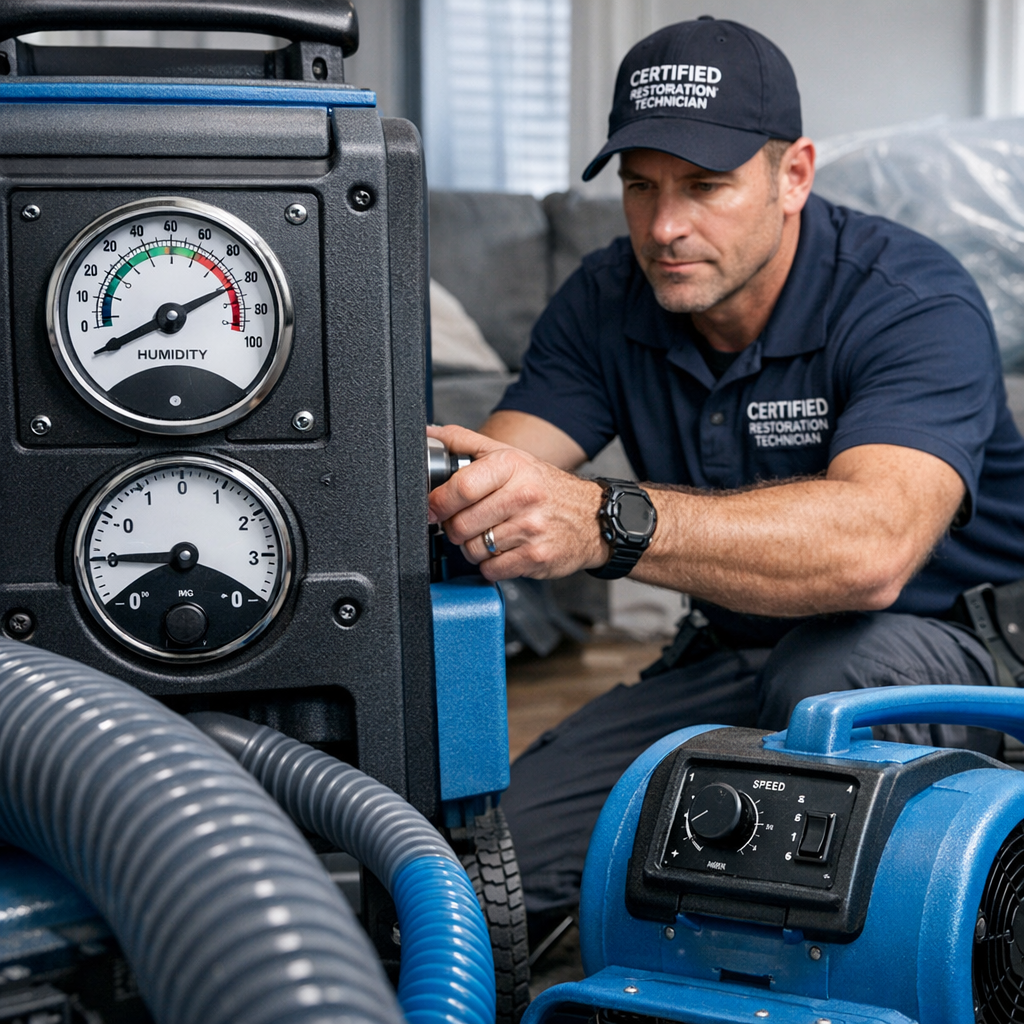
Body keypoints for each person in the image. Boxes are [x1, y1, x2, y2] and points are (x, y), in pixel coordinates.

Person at [426, 17, 1024, 941]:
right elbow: (499, 465)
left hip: (952, 649)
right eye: (641, 189)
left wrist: (608, 522)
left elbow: (872, 551)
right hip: (741, 654)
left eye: (706, 187)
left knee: (825, 698)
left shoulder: (911, 298)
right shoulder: (604, 298)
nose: (666, 228)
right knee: (483, 876)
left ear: (793, 176)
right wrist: (423, 480)